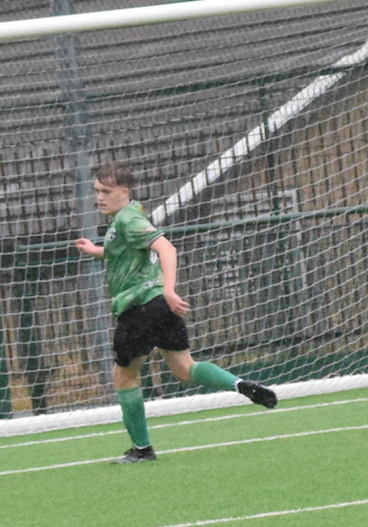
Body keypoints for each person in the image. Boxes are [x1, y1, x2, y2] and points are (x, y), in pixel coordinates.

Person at [72, 161, 277, 463]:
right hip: (160, 307)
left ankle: (142, 450)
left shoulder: (128, 219)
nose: (99, 197)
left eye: (106, 191)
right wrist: (97, 250)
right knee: (184, 368)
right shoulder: (131, 214)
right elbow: (127, 249)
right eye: (97, 191)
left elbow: (167, 248)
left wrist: (170, 289)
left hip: (140, 306)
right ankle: (239, 384)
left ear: (124, 192)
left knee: (124, 378)